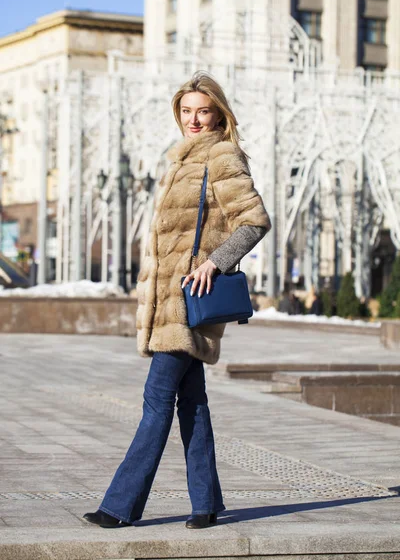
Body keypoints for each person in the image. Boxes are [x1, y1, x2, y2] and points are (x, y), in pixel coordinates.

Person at [83, 71, 271, 530]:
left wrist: (214, 262)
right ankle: (206, 502)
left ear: (218, 114)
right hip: (171, 302)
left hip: (188, 302)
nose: (194, 119)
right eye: (186, 111)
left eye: (202, 111)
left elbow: (254, 221)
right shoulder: (181, 160)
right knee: (192, 403)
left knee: (156, 400)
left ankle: (119, 506)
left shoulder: (222, 156)